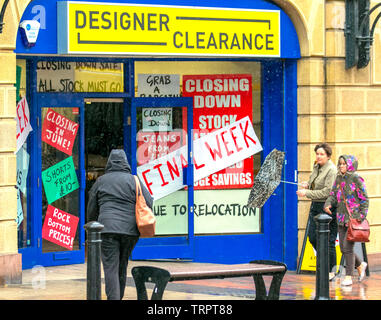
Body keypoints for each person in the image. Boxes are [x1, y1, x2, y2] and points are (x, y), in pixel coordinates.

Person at [87, 149, 153, 300]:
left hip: (107, 229)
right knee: (122, 266)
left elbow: (91, 208)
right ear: (125, 163)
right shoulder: (133, 180)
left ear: (109, 162)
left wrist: (91, 229)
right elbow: (149, 202)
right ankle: (119, 297)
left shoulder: (101, 181)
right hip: (130, 231)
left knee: (110, 268)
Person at [324, 155, 369, 286]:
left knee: (347, 248)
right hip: (341, 218)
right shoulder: (338, 178)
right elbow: (333, 194)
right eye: (340, 164)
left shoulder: (356, 178)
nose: (341, 166)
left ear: (350, 165)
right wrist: (328, 204)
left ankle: (349, 276)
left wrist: (361, 216)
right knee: (343, 248)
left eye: (344, 164)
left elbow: (364, 198)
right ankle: (360, 265)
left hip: (353, 219)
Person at [296, 143, 338, 281]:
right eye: (317, 153)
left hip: (327, 207)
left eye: (322, 154)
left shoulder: (331, 170)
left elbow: (327, 191)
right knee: (312, 237)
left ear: (328, 156)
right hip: (315, 206)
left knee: (329, 240)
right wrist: (307, 184)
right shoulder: (316, 166)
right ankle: (323, 262)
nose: (318, 156)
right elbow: (313, 183)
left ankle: (331, 270)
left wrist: (307, 192)